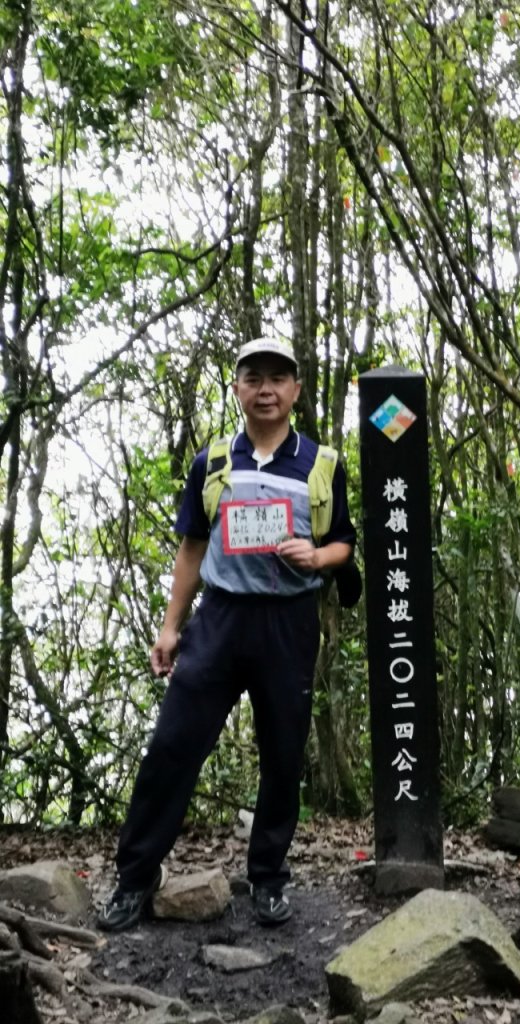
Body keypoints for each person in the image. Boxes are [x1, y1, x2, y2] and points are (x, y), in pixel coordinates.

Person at [98, 336, 356, 931]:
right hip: (219, 619)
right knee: (173, 745)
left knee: (284, 752)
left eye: (277, 379)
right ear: (238, 388)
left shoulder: (322, 463)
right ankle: (135, 879)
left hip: (289, 623)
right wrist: (170, 628)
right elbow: (191, 547)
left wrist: (317, 559)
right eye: (253, 378)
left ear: (295, 390)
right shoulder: (213, 462)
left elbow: (345, 541)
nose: (266, 390)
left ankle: (268, 878)